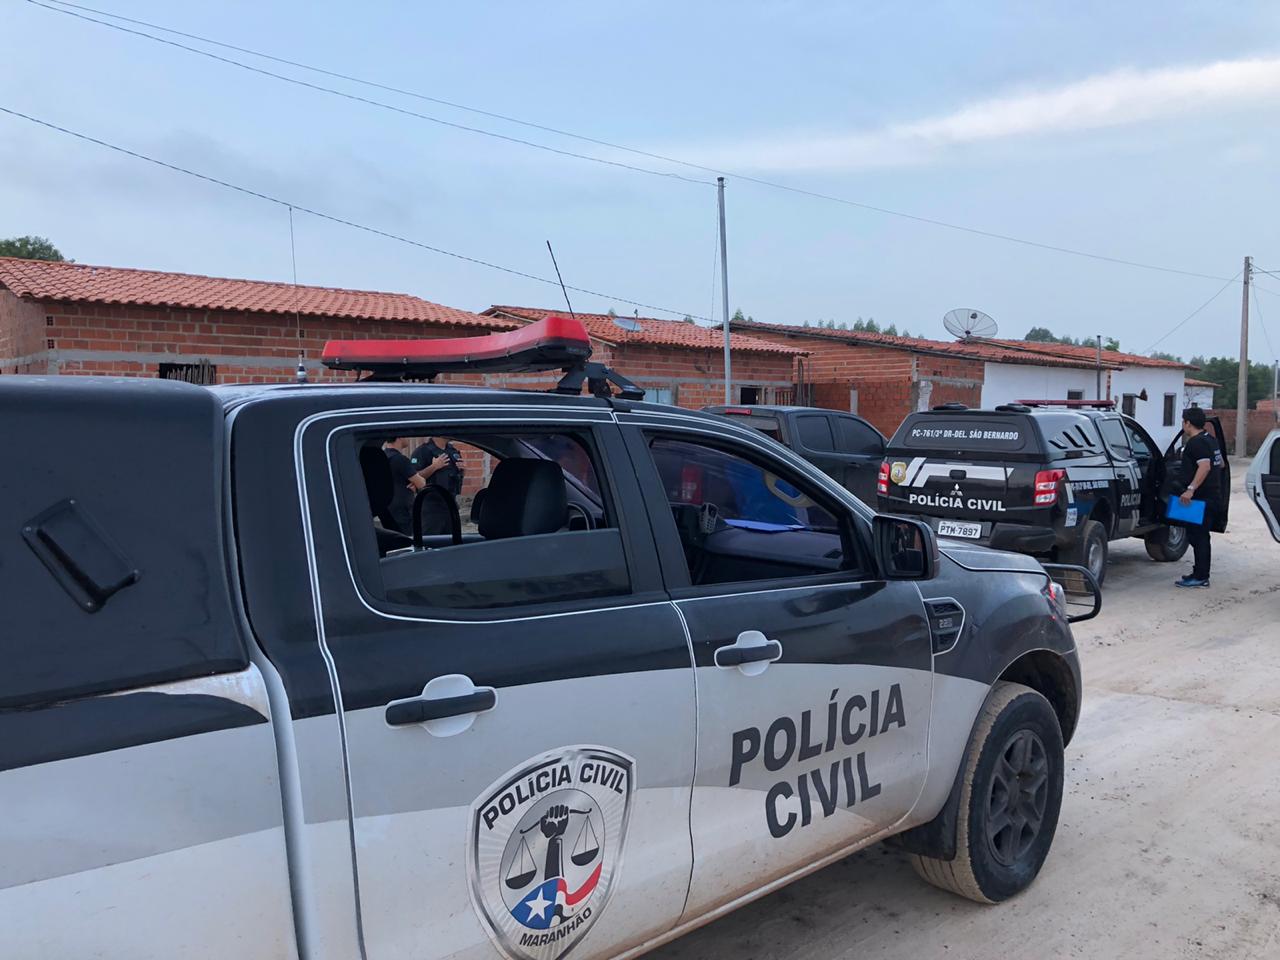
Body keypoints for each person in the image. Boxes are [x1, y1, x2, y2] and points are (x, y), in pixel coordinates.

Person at [1175, 408, 1223, 588]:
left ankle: (1201, 577)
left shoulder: (1196, 443)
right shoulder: (1211, 439)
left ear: (1188, 423)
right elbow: (1220, 463)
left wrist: (1190, 489)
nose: (1183, 424)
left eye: (1183, 421)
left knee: (1199, 537)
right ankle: (1198, 573)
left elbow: (1205, 467)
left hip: (1200, 499)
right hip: (1211, 496)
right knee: (1198, 536)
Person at [409, 436, 464, 536]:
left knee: (452, 540)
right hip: (431, 507)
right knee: (429, 541)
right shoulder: (422, 452)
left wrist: (462, 470)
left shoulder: (452, 451)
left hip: (450, 505)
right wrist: (434, 467)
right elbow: (413, 478)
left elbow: (457, 477)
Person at [382, 437, 417, 534]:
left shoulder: (382, 457)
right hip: (402, 510)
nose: (408, 439)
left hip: (386, 508)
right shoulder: (400, 459)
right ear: (399, 438)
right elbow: (421, 482)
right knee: (406, 539)